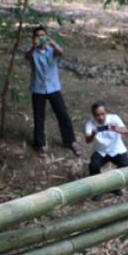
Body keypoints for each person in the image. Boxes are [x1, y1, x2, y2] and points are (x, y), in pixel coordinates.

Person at [25, 25, 81, 158]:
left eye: (42, 35)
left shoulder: (52, 50)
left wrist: (53, 43)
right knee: (39, 117)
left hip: (53, 87)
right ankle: (40, 144)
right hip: (38, 89)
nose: (40, 38)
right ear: (33, 38)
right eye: (38, 36)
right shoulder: (31, 51)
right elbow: (27, 57)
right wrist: (33, 47)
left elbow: (61, 52)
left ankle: (70, 141)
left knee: (62, 114)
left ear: (46, 36)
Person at [84, 101, 128, 201]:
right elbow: (87, 140)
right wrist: (93, 134)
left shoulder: (114, 118)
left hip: (117, 149)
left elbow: (126, 131)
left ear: (106, 112)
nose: (100, 117)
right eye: (97, 115)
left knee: (125, 165)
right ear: (93, 115)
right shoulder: (90, 124)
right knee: (93, 166)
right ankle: (97, 190)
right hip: (101, 151)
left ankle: (116, 186)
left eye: (102, 114)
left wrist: (115, 128)